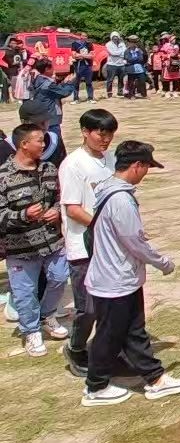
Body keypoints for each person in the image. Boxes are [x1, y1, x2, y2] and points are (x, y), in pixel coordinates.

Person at [81, 141, 180, 406]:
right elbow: (135, 242)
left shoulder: (108, 189)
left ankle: (155, 379)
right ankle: (95, 387)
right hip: (114, 279)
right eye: (146, 167)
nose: (146, 173)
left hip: (120, 277)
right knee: (110, 334)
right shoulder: (120, 199)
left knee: (133, 331)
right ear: (137, 165)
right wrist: (163, 263)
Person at [58, 108, 118, 377]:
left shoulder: (111, 160)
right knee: (89, 306)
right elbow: (73, 209)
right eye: (100, 134)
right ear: (85, 131)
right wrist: (103, 227)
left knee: (112, 302)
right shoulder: (73, 164)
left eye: (110, 134)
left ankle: (108, 348)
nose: (105, 139)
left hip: (110, 245)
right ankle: (76, 347)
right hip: (83, 245)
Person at [0, 123, 67, 356]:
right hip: (21, 248)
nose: (44, 144)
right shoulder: (3, 176)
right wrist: (23, 215)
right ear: (24, 144)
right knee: (25, 292)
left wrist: (56, 211)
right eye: (39, 140)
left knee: (60, 277)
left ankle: (47, 315)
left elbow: (60, 197)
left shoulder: (49, 169)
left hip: (52, 241)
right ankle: (31, 331)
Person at [29, 58, 74, 140]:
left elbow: (55, 90)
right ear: (47, 69)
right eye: (52, 67)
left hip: (42, 114)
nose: (53, 69)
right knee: (55, 140)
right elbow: (64, 92)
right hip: (51, 116)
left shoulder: (38, 79)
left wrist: (63, 83)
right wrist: (69, 82)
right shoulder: (47, 84)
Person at [70, 35, 95, 103]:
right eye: (82, 36)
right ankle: (76, 99)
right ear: (80, 37)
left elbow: (91, 56)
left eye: (85, 36)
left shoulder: (89, 44)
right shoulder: (75, 44)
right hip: (78, 65)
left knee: (89, 82)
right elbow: (74, 55)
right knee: (76, 83)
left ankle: (90, 98)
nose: (83, 37)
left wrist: (80, 55)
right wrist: (85, 55)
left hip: (88, 65)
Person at [102, 32, 127, 99]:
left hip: (121, 64)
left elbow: (125, 52)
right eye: (114, 37)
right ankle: (109, 93)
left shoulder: (122, 44)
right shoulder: (108, 44)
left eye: (116, 37)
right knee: (110, 80)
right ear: (111, 37)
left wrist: (118, 53)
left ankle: (120, 92)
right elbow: (112, 53)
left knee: (121, 79)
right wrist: (120, 53)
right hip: (111, 64)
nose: (115, 38)